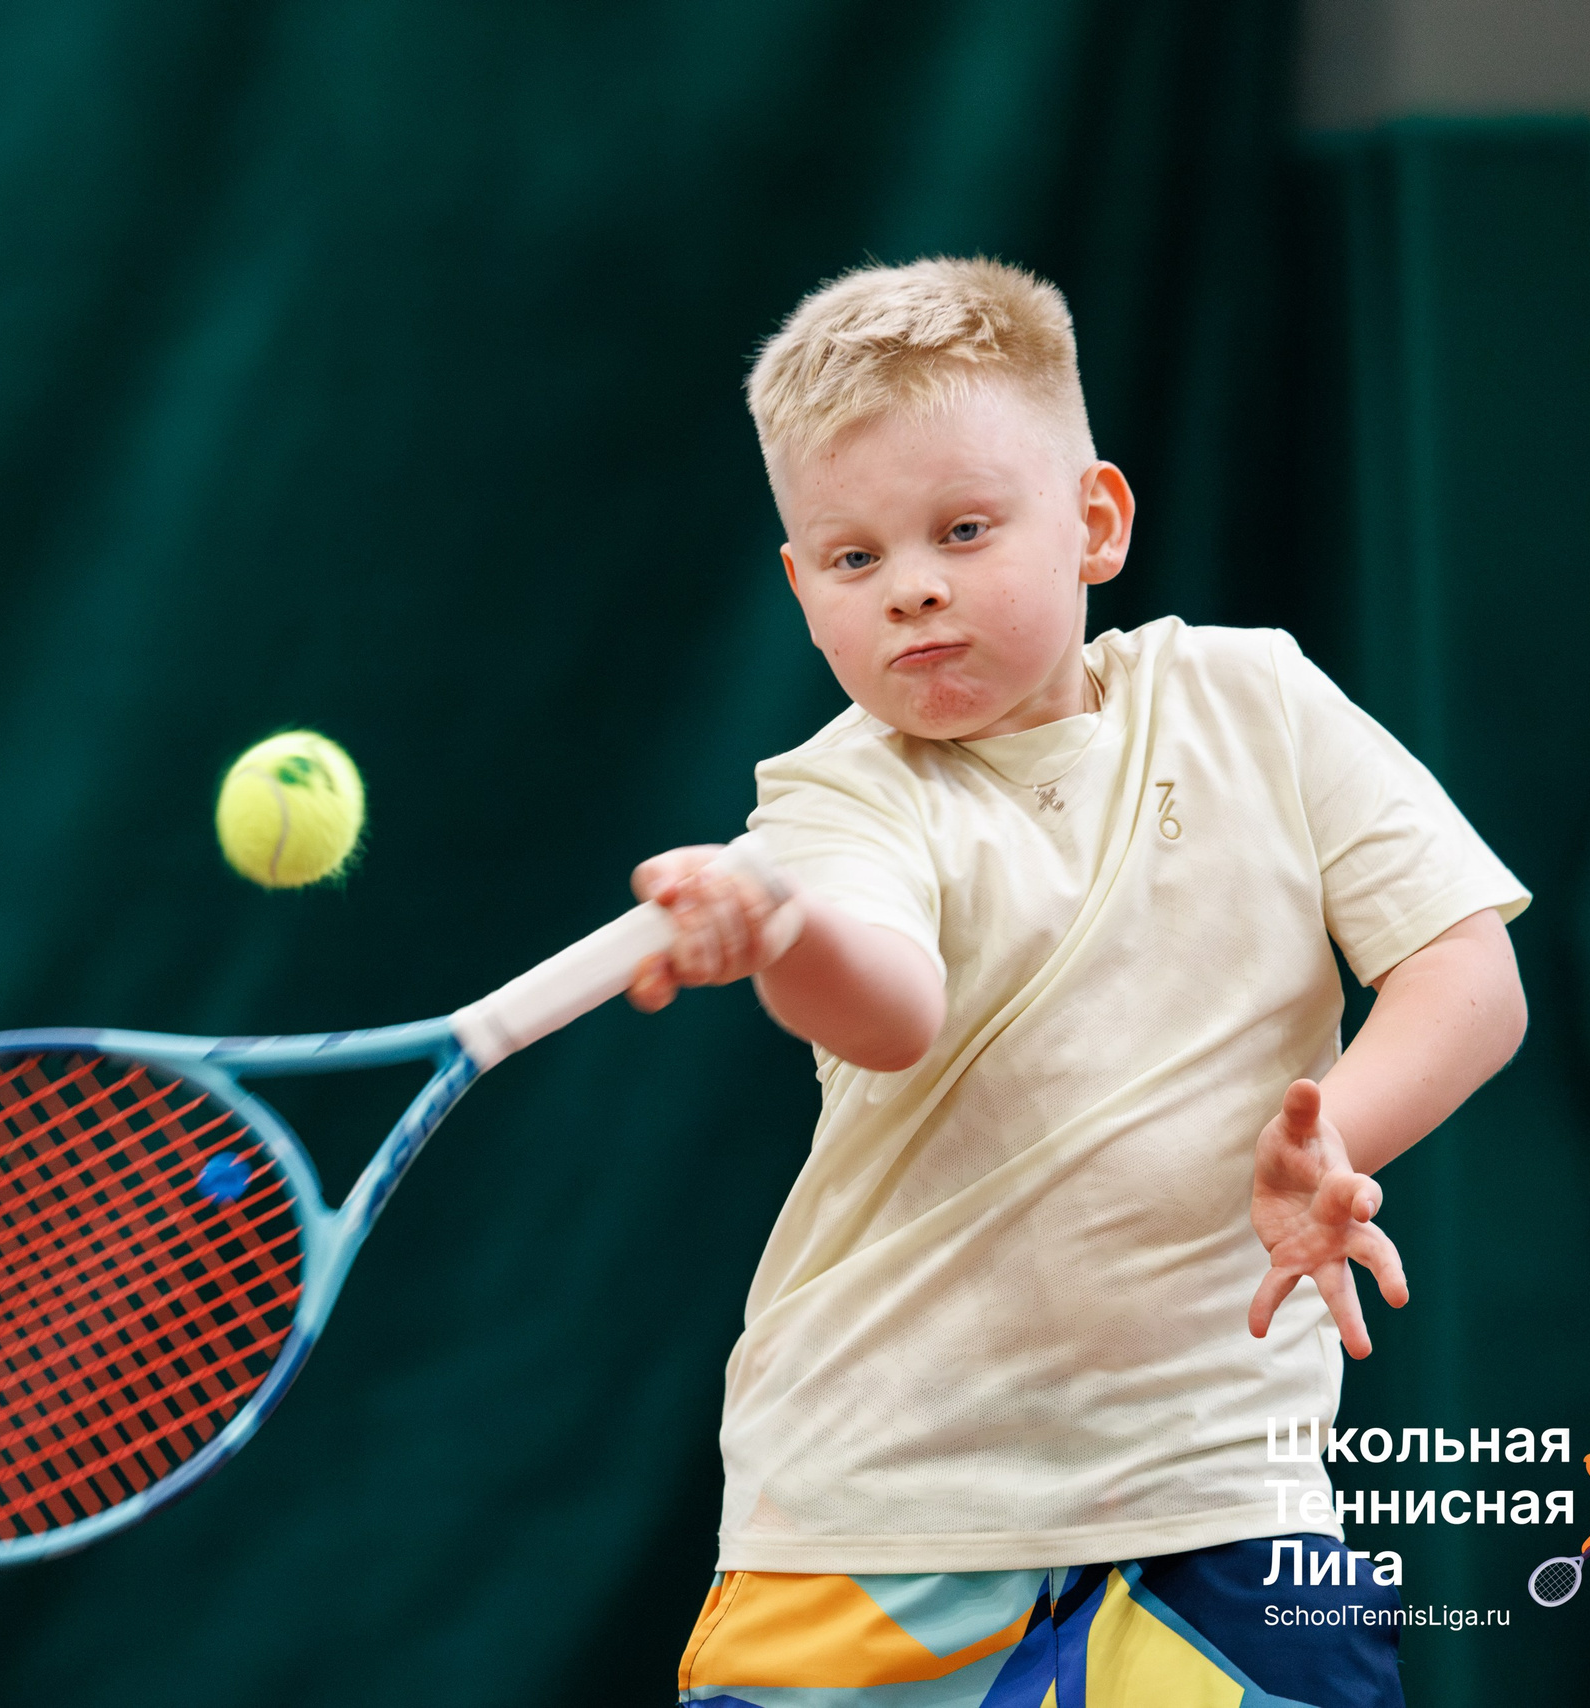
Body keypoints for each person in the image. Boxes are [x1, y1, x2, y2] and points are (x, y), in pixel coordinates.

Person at [633, 257, 1529, 1708]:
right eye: (855, 561)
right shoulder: (830, 802)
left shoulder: (1262, 702)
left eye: (965, 529)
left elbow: (1466, 976)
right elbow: (891, 1002)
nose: (914, 585)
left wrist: (1334, 1139)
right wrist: (782, 935)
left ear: (1094, 520)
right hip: (875, 1517)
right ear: (805, 594)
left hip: (1224, 1499)